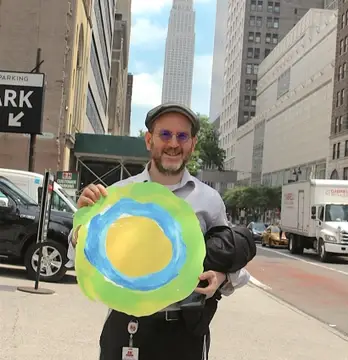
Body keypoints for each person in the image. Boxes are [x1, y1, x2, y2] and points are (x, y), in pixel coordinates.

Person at [67, 102, 252, 360]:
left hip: (183, 331)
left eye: (182, 136)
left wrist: (222, 277)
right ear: (148, 140)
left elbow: (233, 257)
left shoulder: (208, 200)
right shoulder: (116, 195)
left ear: (192, 144)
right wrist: (80, 227)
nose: (173, 143)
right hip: (126, 326)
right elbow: (77, 259)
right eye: (165, 134)